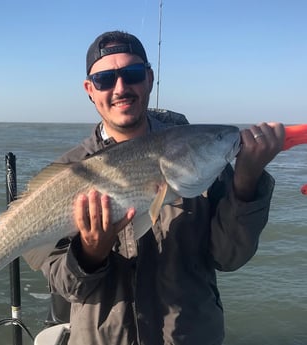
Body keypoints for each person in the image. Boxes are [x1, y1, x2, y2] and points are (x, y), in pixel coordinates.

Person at [41, 30, 285, 345]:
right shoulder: (67, 173)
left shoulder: (198, 155)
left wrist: (246, 181)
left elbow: (229, 258)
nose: (121, 88)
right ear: (89, 89)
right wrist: (90, 253)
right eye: (104, 79)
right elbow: (64, 286)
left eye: (132, 74)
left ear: (149, 78)